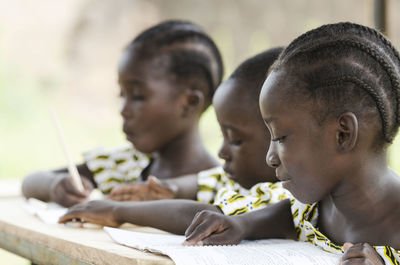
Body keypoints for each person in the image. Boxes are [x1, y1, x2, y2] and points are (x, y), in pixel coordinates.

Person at [183, 22, 400, 265]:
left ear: (343, 134)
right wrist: (243, 223)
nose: (270, 158)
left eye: (280, 137)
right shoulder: (319, 207)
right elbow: (288, 214)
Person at [58, 48, 292, 235]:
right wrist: (170, 190)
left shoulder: (290, 198)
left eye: (235, 140)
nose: (222, 152)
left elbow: (209, 217)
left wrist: (119, 211)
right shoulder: (234, 181)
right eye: (223, 138)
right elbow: (198, 183)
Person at [21, 20, 224, 207]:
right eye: (122, 95)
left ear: (189, 102)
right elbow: (31, 182)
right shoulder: (124, 166)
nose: (123, 110)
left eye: (137, 96)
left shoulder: (222, 186)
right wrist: (56, 186)